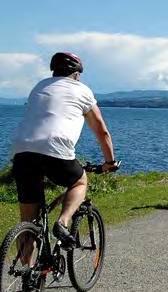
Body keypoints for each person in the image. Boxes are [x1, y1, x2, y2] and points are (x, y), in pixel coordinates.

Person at [11, 52, 118, 261]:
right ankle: (63, 222)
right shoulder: (82, 90)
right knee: (79, 182)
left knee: (28, 221)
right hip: (55, 149)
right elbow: (102, 131)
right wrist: (110, 162)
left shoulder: (40, 86)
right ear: (77, 75)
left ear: (54, 71)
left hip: (21, 151)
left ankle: (27, 274)